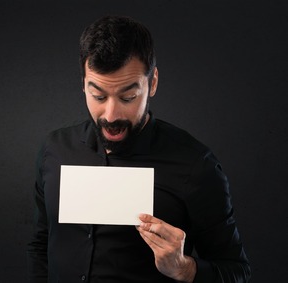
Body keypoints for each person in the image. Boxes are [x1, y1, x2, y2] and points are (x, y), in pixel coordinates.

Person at [27, 15, 251, 283]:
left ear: (152, 82)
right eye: (98, 95)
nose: (111, 115)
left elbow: (237, 272)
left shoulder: (195, 165)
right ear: (83, 82)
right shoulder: (55, 150)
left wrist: (184, 268)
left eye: (128, 97)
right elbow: (41, 245)